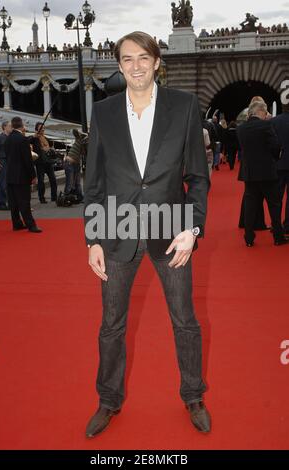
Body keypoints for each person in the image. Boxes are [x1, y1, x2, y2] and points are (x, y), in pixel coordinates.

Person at [84, 31, 211, 438]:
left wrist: (193, 229)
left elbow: (197, 177)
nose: (136, 66)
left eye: (143, 58)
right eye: (127, 59)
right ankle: (108, 399)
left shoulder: (185, 106)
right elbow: (94, 183)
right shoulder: (102, 113)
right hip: (117, 232)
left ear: (157, 61)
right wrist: (93, 239)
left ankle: (193, 395)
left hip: (171, 232)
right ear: (119, 65)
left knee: (185, 321)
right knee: (111, 325)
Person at [237, 101, 287, 247]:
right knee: (274, 205)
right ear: (260, 111)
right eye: (265, 113)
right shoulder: (266, 125)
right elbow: (276, 145)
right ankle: (278, 236)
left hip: (249, 173)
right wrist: (275, 156)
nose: (266, 115)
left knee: (250, 206)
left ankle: (249, 238)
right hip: (267, 173)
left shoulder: (241, 128)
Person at [5, 116, 42, 233]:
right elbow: (27, 160)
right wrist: (33, 175)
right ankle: (31, 225)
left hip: (10, 175)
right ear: (21, 125)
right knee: (25, 201)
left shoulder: (8, 139)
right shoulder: (22, 139)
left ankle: (16, 223)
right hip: (21, 176)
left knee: (13, 202)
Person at [272, 103, 289, 235]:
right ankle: (288, 225)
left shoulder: (274, 121)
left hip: (277, 164)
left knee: (276, 198)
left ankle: (276, 225)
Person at [29, 122, 57, 203]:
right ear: (36, 129)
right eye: (41, 127)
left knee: (53, 180)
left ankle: (54, 197)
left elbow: (49, 147)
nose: (43, 129)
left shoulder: (45, 138)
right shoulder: (34, 138)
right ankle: (42, 198)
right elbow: (27, 141)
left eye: (43, 127)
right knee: (41, 181)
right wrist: (33, 136)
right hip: (40, 162)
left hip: (48, 162)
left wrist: (50, 150)